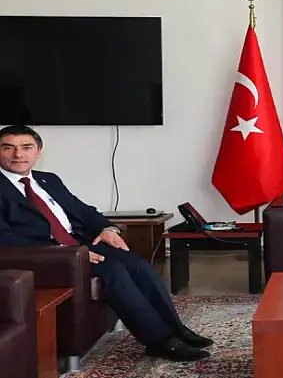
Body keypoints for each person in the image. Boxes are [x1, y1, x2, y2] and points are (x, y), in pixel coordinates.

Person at [0, 125, 213, 362]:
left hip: (79, 243)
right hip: (47, 256)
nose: (18, 154)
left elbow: (85, 211)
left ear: (38, 151)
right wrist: (63, 252)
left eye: (26, 147)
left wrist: (107, 229)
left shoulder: (48, 179)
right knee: (113, 272)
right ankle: (160, 341)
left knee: (139, 266)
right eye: (8, 148)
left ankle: (176, 329)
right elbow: (4, 237)